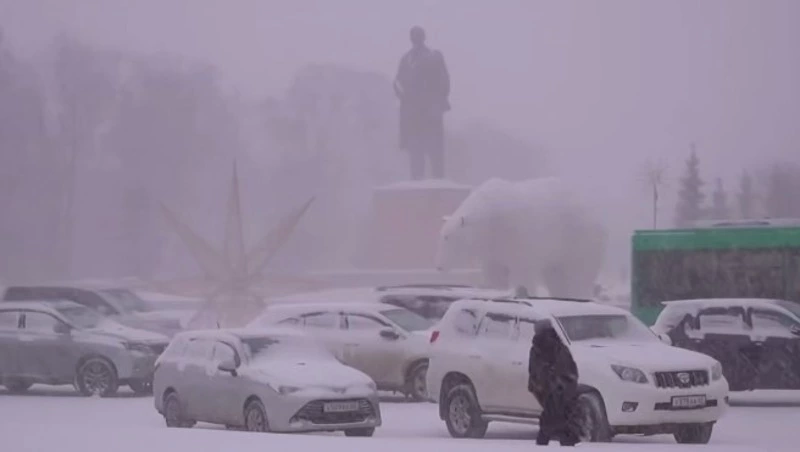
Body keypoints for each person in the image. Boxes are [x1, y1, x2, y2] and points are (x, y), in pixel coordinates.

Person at [393, 26, 450, 180]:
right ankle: (416, 182)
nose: (415, 38)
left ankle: (439, 182)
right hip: (412, 113)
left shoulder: (434, 56)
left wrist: (437, 102)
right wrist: (399, 90)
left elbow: (444, 81)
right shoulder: (406, 59)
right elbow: (398, 81)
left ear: (423, 37)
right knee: (415, 151)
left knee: (434, 151)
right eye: (413, 35)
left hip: (430, 111)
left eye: (417, 35)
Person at [528, 320, 580, 446]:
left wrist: (538, 384)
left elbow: (534, 369)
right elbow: (569, 368)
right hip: (559, 387)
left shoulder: (538, 346)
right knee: (560, 415)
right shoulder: (558, 345)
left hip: (549, 387)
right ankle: (564, 440)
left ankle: (547, 440)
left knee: (551, 416)